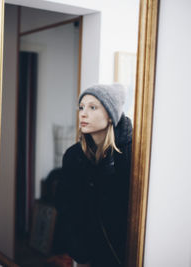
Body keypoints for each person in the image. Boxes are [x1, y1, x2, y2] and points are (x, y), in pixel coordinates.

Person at [52, 84, 133, 267]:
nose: (83, 113)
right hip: (84, 254)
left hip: (118, 254)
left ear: (110, 116)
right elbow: (66, 208)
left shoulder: (129, 154)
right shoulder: (73, 156)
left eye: (92, 107)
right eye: (81, 107)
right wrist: (79, 253)